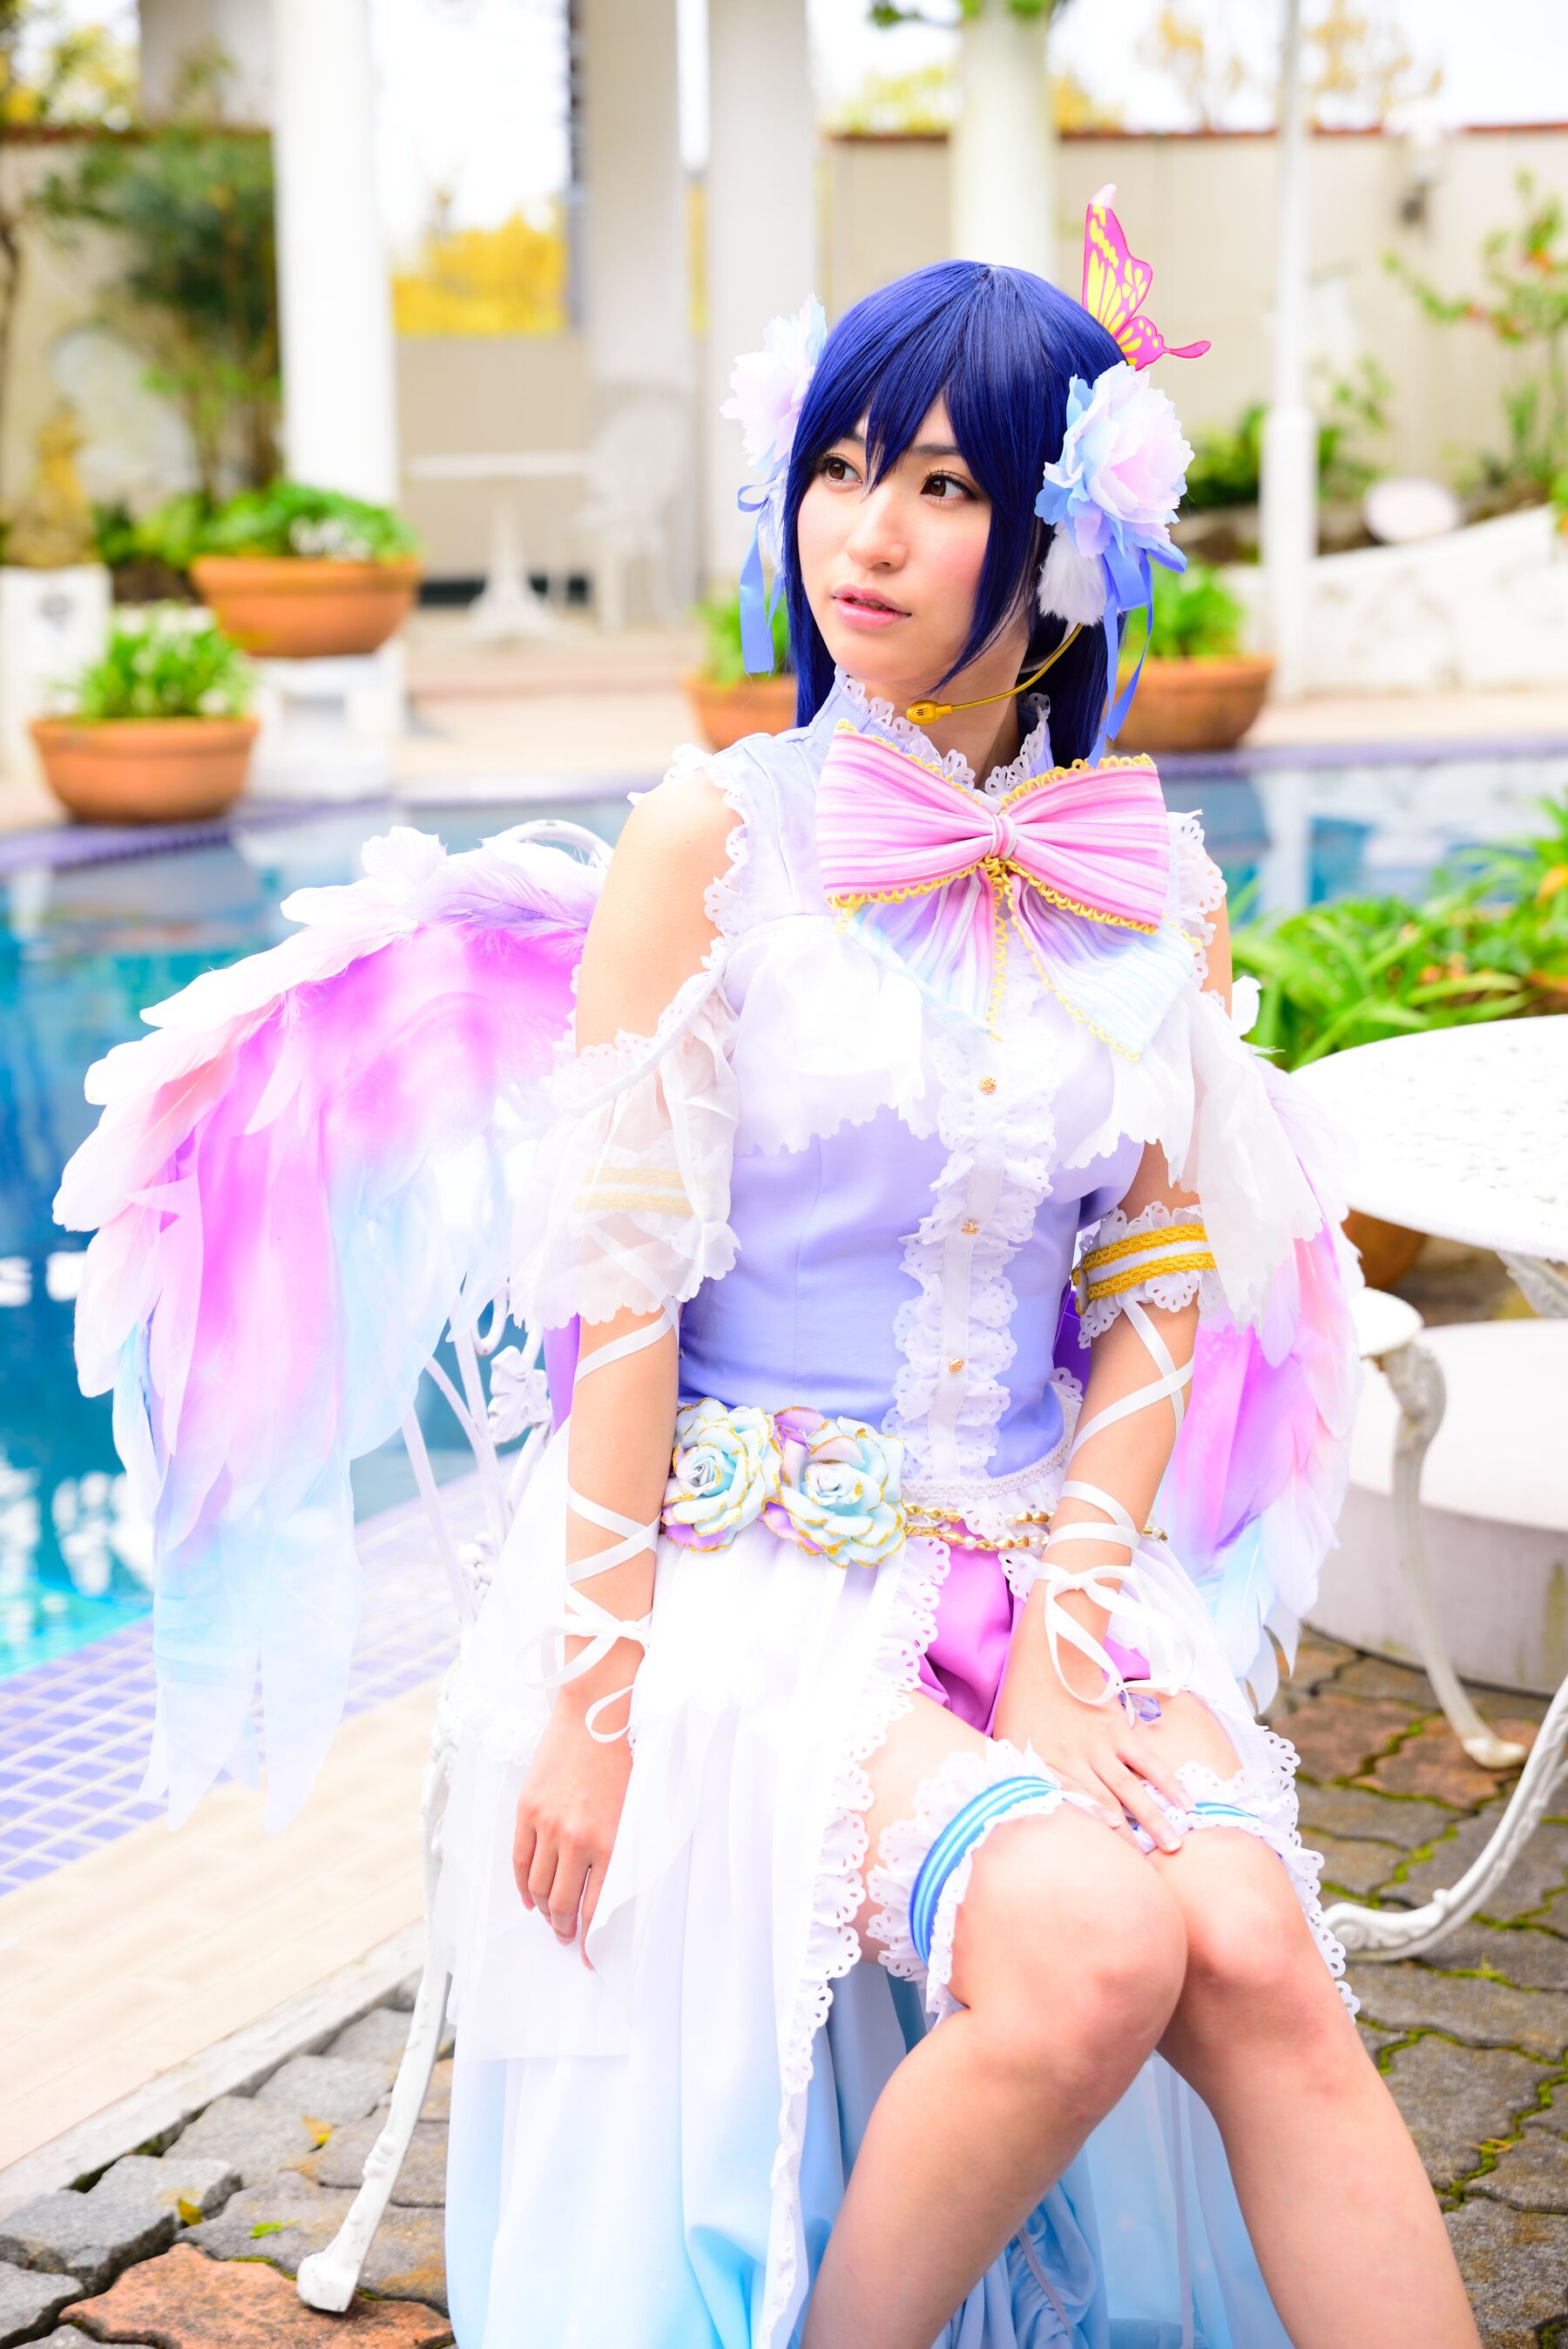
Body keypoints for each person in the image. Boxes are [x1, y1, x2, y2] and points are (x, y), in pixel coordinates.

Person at [57, 207, 1481, 2349]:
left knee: (1264, 1954)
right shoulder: (713, 845)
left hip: (1041, 1565)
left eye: (944, 484)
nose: (865, 533)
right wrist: (592, 1704)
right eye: (838, 465)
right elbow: (618, 1296)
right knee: (1097, 1949)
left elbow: (1156, 1279)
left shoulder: (1151, 886)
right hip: (741, 1579)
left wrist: (1069, 1634)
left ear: (1064, 541)